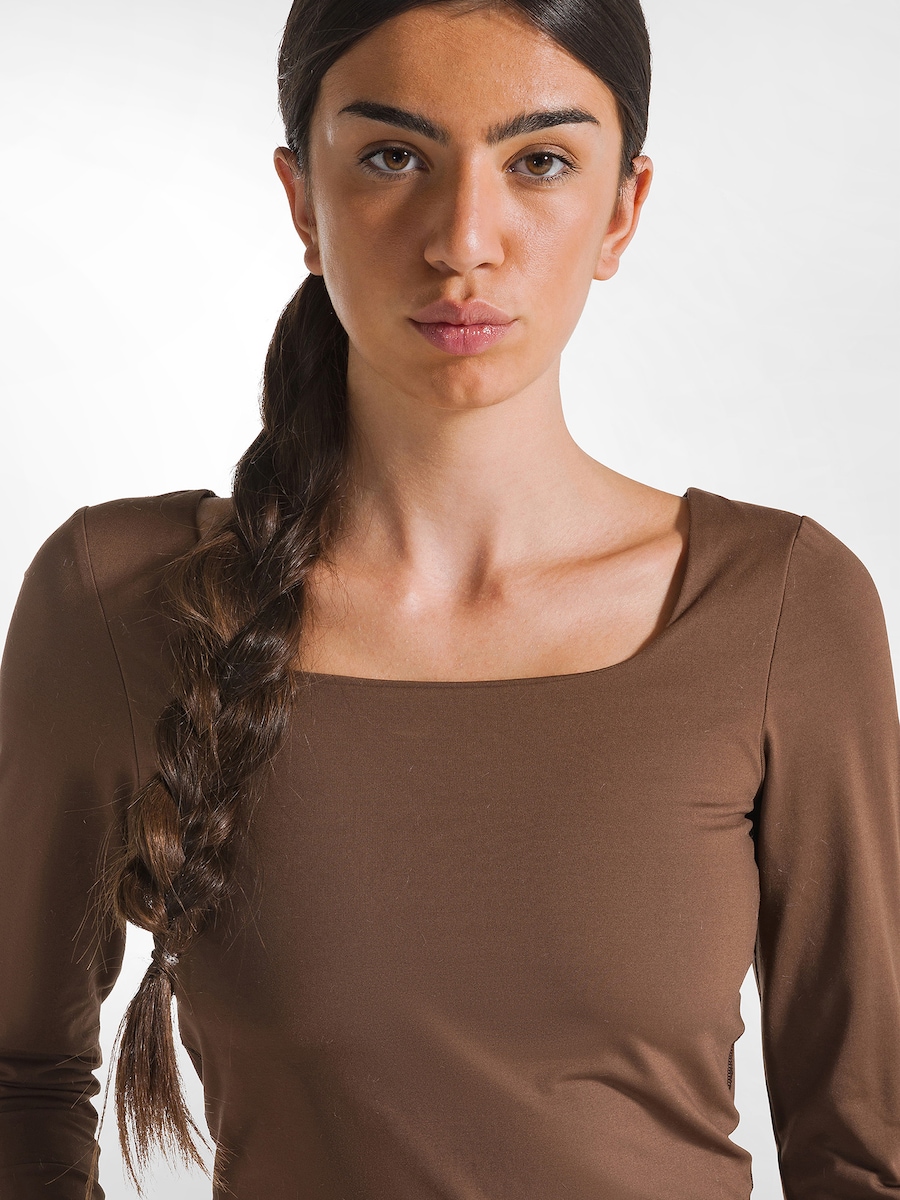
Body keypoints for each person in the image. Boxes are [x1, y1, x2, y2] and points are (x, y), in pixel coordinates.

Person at [0, 0, 897, 1196]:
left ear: (621, 210)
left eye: (540, 162)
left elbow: (871, 1150)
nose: (463, 240)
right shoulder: (120, 601)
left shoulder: (780, 609)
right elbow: (17, 1081)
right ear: (302, 199)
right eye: (392, 156)